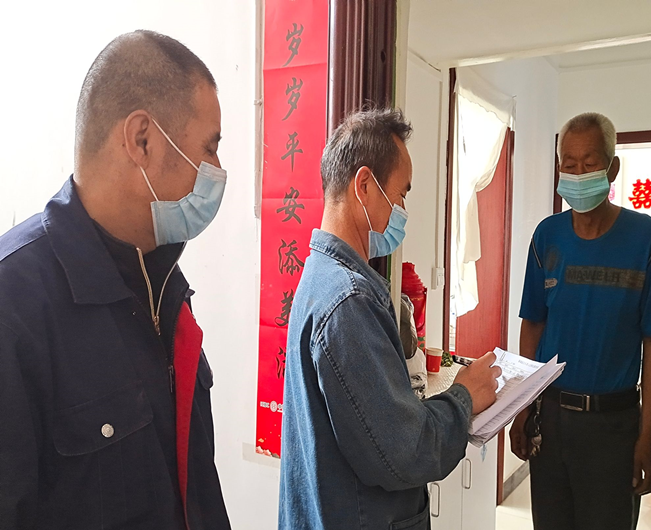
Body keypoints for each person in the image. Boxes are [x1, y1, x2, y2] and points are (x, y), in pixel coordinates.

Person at [0, 31, 231, 529]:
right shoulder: (15, 305)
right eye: (210, 148)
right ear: (142, 139)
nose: (217, 170)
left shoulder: (163, 283)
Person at [279, 108, 502, 530]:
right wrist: (465, 397)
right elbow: (406, 452)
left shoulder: (320, 274)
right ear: (364, 186)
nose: (401, 211)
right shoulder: (349, 300)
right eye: (400, 195)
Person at [509, 112, 651, 530]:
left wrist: (649, 434)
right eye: (569, 164)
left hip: (614, 426)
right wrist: (522, 407)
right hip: (551, 419)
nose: (578, 174)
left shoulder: (646, 239)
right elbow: (533, 324)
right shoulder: (547, 237)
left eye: (589, 163)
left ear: (612, 168)